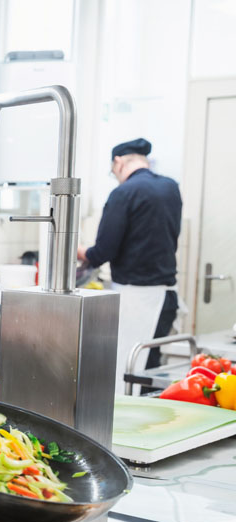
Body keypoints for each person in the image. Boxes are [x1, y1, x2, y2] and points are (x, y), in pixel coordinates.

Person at [77, 138, 182, 389]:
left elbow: (102, 251)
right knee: (151, 369)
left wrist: (80, 251)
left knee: (128, 373)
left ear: (119, 162)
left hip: (136, 299)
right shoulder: (171, 188)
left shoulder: (123, 193)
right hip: (167, 298)